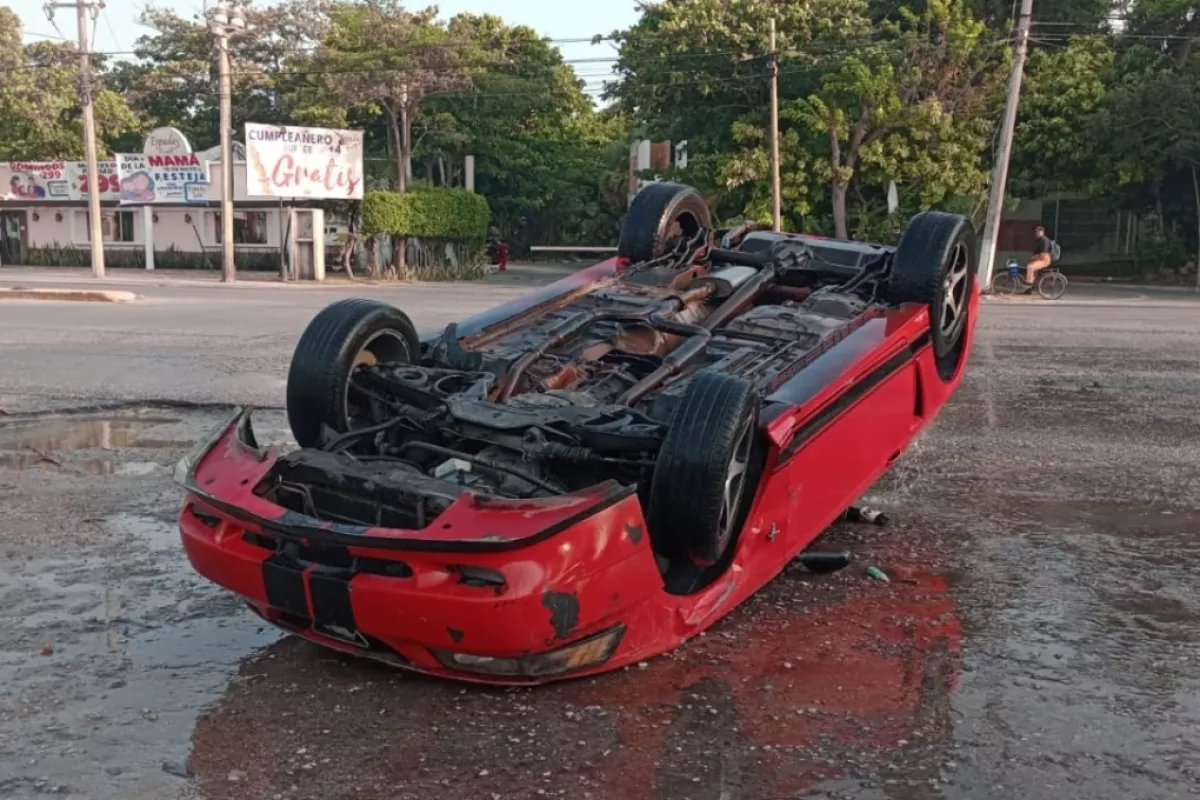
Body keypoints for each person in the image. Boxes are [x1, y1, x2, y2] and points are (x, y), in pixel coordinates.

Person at [1024, 224, 1053, 291]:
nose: (1036, 233)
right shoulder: (1038, 240)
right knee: (1031, 273)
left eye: (1038, 232)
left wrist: (1034, 257)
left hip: (1044, 259)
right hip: (1039, 259)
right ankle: (1029, 290)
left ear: (1042, 232)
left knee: (1030, 267)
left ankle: (1029, 284)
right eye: (1036, 232)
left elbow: (1043, 253)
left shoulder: (1044, 240)